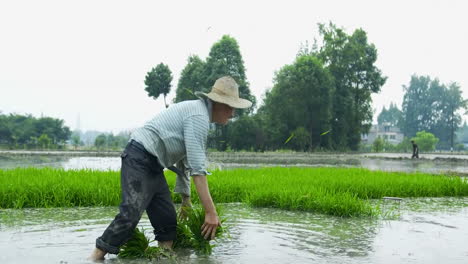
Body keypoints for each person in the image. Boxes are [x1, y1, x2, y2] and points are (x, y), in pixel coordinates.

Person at [89, 76, 252, 261]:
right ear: (218, 103)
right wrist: (211, 212)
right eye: (230, 107)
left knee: (166, 220)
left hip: (153, 164)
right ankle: (93, 258)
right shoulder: (198, 117)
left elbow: (185, 161)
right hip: (139, 157)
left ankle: (165, 258)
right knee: (130, 215)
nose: (232, 114)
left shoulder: (199, 115)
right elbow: (198, 170)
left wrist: (186, 199)